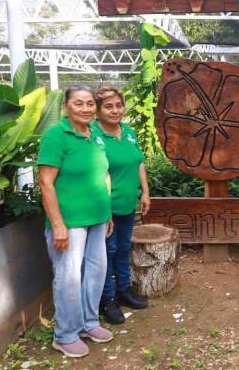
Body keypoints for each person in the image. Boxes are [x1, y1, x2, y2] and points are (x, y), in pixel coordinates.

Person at [38, 86, 115, 358]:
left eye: (90, 103)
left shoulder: (94, 134)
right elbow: (46, 182)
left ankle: (89, 323)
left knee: (96, 271)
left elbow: (103, 173)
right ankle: (65, 334)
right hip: (69, 221)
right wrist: (57, 224)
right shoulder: (56, 135)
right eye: (79, 103)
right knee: (69, 276)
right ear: (66, 107)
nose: (86, 108)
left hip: (98, 217)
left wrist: (106, 213)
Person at [92, 87, 150, 324]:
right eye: (108, 106)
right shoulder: (93, 135)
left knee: (124, 248)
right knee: (107, 252)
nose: (115, 110)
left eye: (118, 105)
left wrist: (145, 192)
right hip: (106, 207)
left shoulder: (128, 132)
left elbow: (139, 163)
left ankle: (124, 290)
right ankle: (107, 299)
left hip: (127, 204)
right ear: (97, 110)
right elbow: (95, 173)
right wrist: (104, 210)